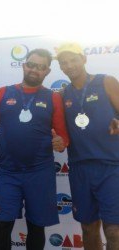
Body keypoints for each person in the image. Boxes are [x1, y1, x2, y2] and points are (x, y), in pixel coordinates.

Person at [0, 48, 69, 250]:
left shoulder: (53, 98)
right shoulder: (2, 92)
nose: (35, 70)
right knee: (1, 226)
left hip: (40, 173)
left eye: (41, 67)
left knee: (36, 228)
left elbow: (62, 135)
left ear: (47, 72)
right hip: (9, 173)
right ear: (24, 65)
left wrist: (61, 142)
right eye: (32, 65)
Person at [56, 42, 119, 250]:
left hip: (111, 166)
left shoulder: (106, 82)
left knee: (114, 231)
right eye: (64, 62)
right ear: (61, 67)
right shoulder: (62, 95)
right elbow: (59, 132)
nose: (69, 65)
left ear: (84, 59)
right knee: (88, 229)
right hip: (80, 168)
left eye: (73, 59)